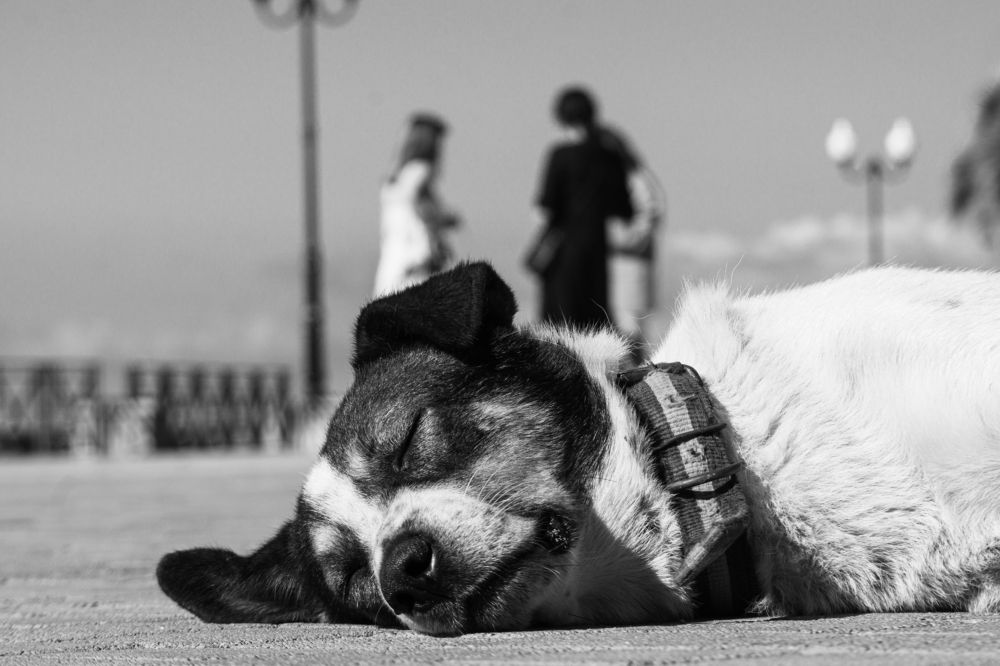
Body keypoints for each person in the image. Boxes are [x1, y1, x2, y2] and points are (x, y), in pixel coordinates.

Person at [530, 87, 634, 329]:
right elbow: (623, 209)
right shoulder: (610, 157)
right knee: (594, 325)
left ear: (560, 117)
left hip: (564, 255)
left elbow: (544, 211)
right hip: (597, 252)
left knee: (559, 327)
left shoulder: (559, 155)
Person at [373, 113, 461, 297]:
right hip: (416, 260)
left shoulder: (397, 175)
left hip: (393, 260)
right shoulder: (421, 171)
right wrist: (446, 219)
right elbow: (423, 212)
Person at [602, 128, 665, 360]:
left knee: (630, 327)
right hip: (621, 261)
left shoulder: (634, 179)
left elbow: (650, 214)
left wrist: (623, 238)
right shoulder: (628, 178)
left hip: (630, 261)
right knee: (621, 325)